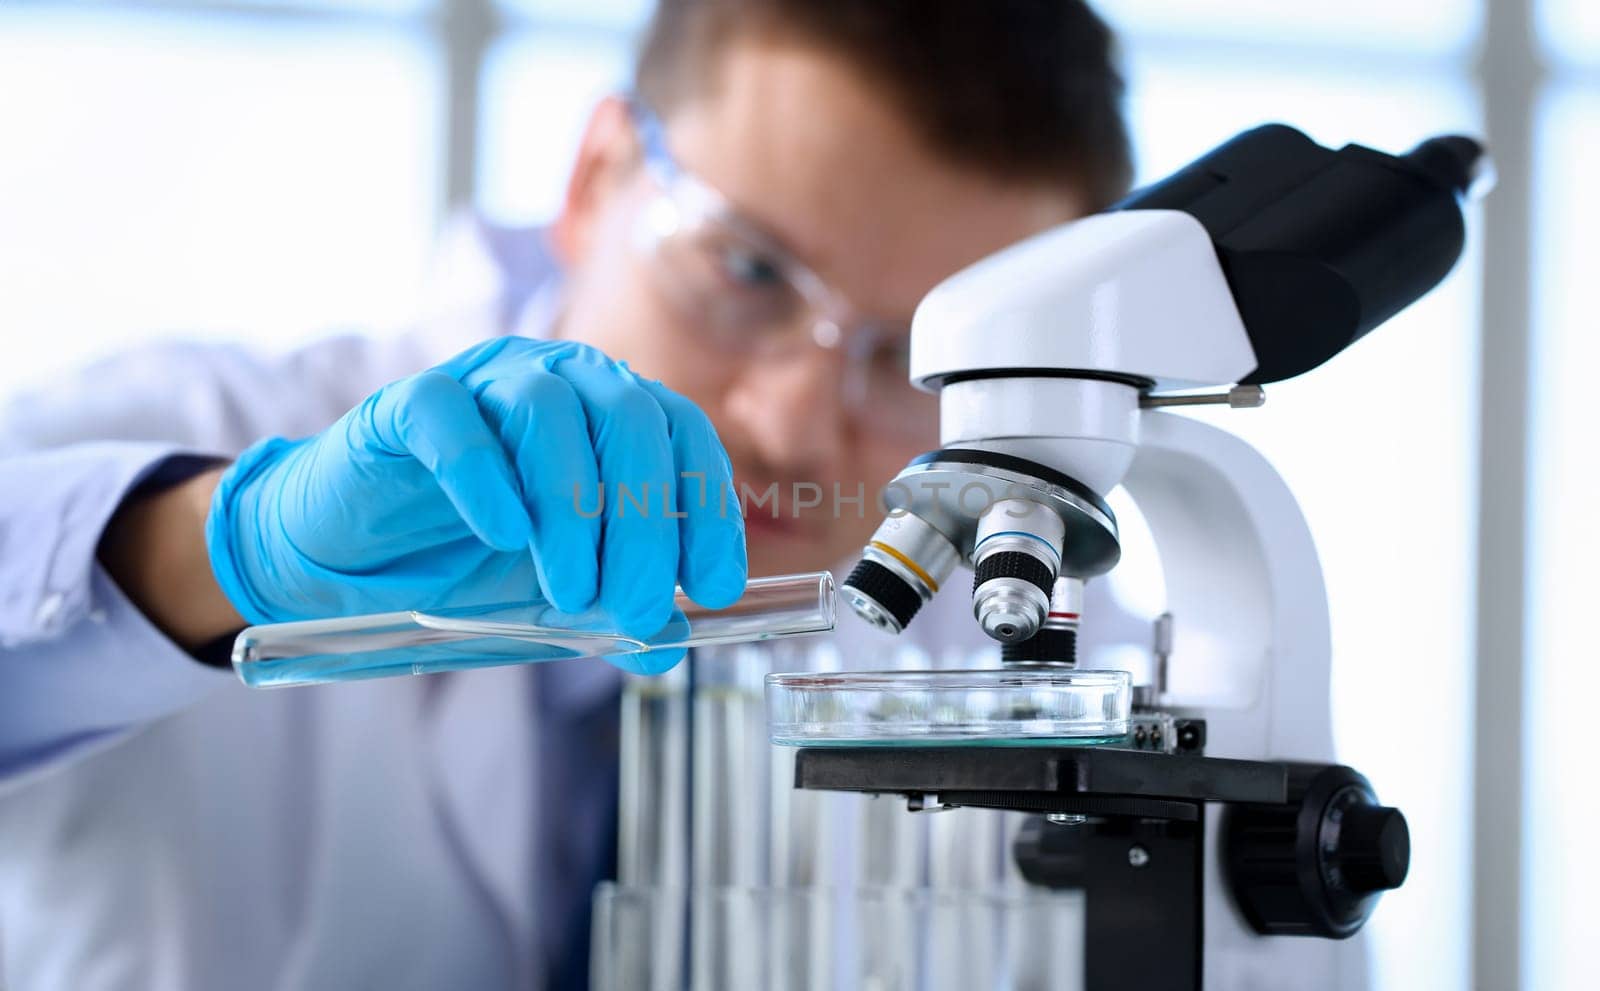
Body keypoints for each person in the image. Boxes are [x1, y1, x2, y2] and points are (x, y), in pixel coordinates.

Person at [0, 0, 1133, 987]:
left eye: (908, 360)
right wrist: (208, 553)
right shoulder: (206, 432)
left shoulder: (1028, 638)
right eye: (745, 270)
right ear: (594, 179)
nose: (791, 421)